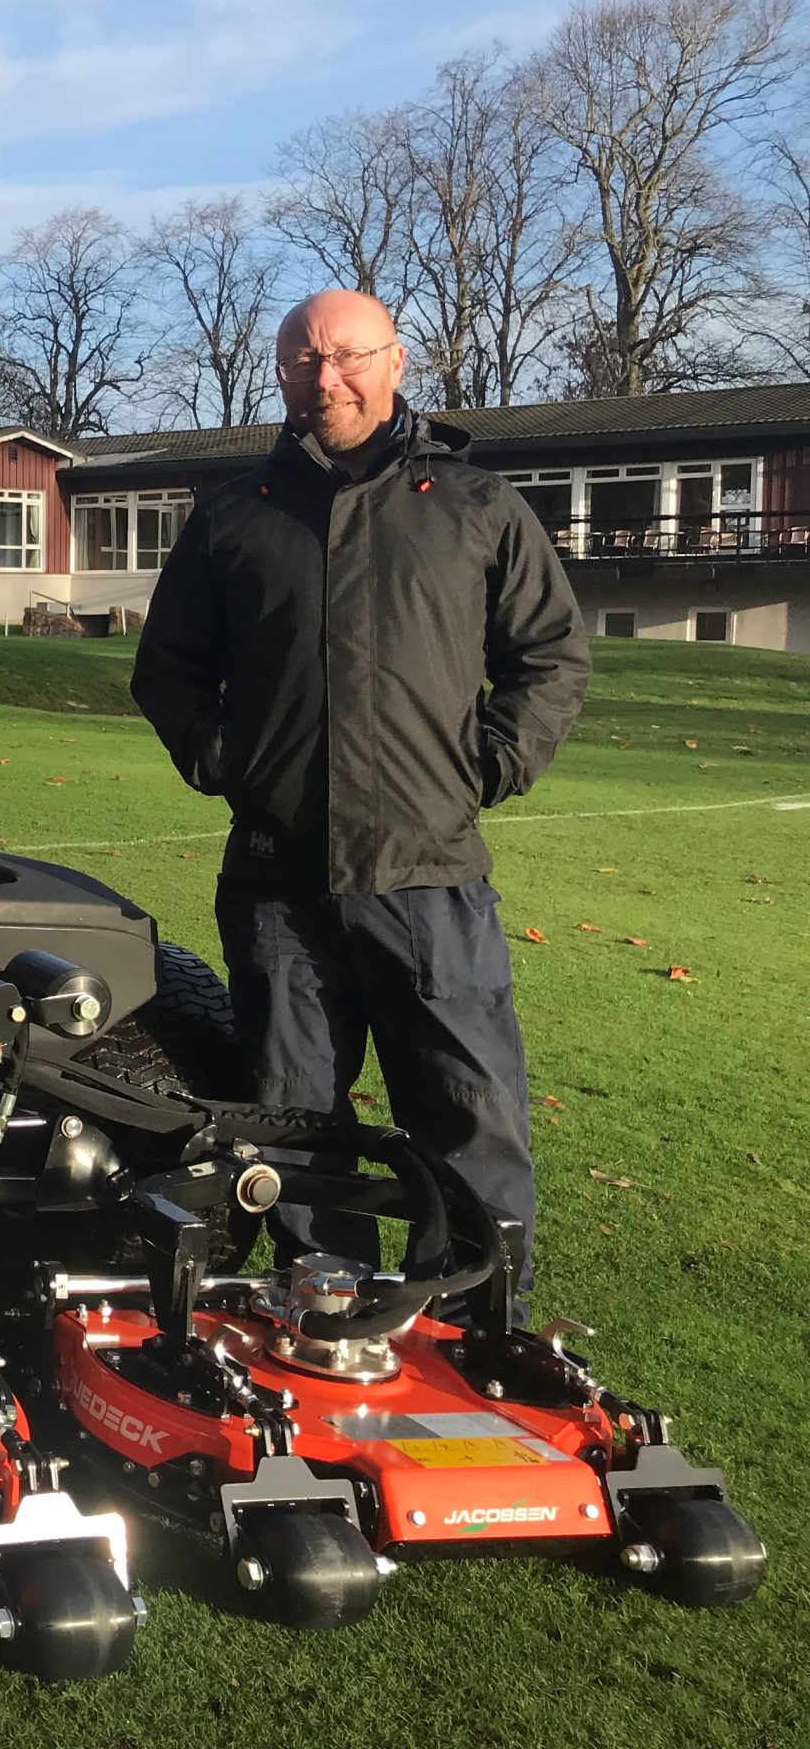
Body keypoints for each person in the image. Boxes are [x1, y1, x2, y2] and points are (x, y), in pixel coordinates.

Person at [130, 288, 589, 1325]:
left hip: (427, 874)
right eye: (300, 361)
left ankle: (484, 1328)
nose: (321, 379)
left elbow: (550, 658)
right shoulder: (235, 510)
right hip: (277, 883)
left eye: (343, 357)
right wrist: (224, 760)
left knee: (468, 1114)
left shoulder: (470, 505)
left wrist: (489, 767)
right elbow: (168, 670)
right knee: (293, 1123)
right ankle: (319, 1318)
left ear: (393, 361)